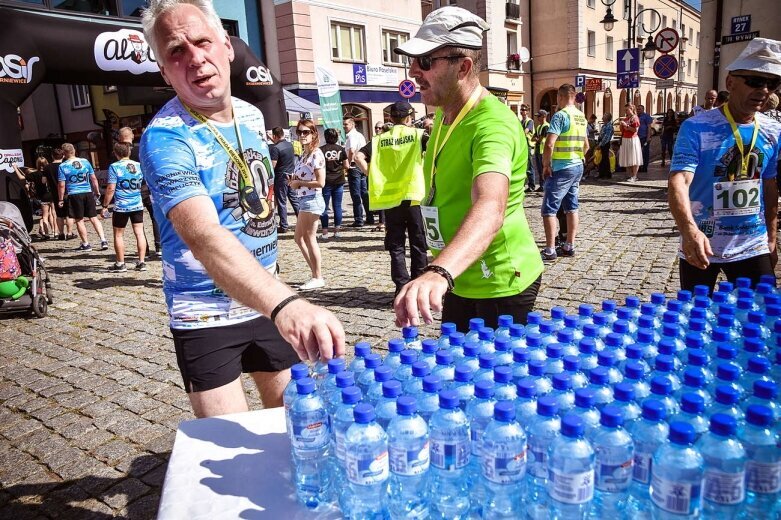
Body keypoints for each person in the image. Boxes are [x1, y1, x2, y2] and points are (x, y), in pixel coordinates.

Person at [139, 0, 344, 418]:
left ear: (227, 48)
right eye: (176, 51)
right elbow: (203, 235)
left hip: (264, 295)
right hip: (204, 313)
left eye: (202, 41)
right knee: (229, 444)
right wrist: (286, 304)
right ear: (164, 70)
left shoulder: (251, 116)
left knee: (294, 423)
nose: (195, 58)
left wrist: (275, 298)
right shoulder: (164, 137)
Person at [392, 6, 543, 330]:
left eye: (426, 62)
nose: (414, 71)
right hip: (460, 276)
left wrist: (438, 271)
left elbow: (491, 204)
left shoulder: (492, 125)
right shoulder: (446, 117)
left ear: (463, 67)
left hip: (500, 282)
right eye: (414, 61)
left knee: (490, 379)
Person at [668, 37, 781, 292]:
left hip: (753, 244)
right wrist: (689, 232)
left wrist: (772, 239)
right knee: (696, 319)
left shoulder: (774, 130)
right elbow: (679, 180)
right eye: (754, 81)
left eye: (772, 83)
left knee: (758, 320)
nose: (763, 90)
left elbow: (769, 184)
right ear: (731, 82)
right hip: (701, 241)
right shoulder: (696, 126)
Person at [355, 101, 428, 295]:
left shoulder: (379, 140)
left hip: (390, 200)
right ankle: (418, 286)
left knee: (396, 246)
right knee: (418, 243)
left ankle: (401, 288)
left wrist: (370, 173)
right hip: (413, 196)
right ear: (408, 118)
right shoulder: (417, 135)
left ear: (391, 118)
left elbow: (358, 157)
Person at [540, 84, 588, 261]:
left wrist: (546, 164)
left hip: (561, 168)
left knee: (549, 208)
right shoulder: (581, 116)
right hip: (577, 165)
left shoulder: (560, 116)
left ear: (560, 97)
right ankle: (569, 245)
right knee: (571, 207)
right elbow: (586, 145)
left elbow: (549, 143)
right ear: (574, 97)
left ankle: (550, 249)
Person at [289, 119, 327, 290]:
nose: (302, 135)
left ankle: (317, 276)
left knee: (309, 238)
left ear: (313, 134)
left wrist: (300, 183)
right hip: (304, 198)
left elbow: (321, 182)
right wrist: (294, 181)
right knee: (299, 238)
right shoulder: (304, 154)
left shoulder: (316, 154)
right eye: (299, 132)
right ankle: (314, 272)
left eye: (306, 132)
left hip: (312, 199)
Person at [102, 142, 148, 272]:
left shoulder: (114, 167)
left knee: (118, 235)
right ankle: (141, 262)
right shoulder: (139, 165)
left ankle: (120, 263)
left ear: (116, 153)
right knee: (139, 233)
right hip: (137, 204)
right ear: (128, 152)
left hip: (122, 206)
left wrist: (105, 205)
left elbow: (111, 188)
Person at [56, 143, 108, 252]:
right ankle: (103, 240)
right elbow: (93, 178)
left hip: (74, 194)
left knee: (79, 220)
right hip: (87, 192)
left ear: (64, 154)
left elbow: (61, 185)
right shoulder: (85, 162)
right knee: (93, 217)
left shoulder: (63, 166)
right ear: (74, 150)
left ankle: (86, 244)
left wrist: (60, 199)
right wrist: (97, 191)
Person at [120, 126, 161, 256]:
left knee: (138, 222)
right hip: (146, 187)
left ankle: (145, 250)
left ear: (120, 138)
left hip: (130, 191)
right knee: (155, 216)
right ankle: (159, 246)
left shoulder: (117, 153)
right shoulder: (141, 149)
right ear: (132, 136)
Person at [319, 128, 349, 239]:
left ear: (325, 137)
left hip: (326, 181)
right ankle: (337, 230)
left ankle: (325, 232)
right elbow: (346, 165)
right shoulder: (341, 149)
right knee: (337, 206)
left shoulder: (320, 150)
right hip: (339, 180)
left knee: (324, 207)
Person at [269, 126, 299, 233]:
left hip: (281, 177)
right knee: (294, 200)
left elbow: (273, 165)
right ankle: (301, 221)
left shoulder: (275, 148)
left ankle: (284, 226)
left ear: (274, 136)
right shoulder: (289, 144)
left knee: (282, 202)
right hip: (291, 175)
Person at [343, 116, 370, 227]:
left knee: (356, 194)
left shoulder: (352, 136)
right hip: (361, 165)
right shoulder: (360, 135)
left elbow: (352, 150)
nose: (344, 126)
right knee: (364, 193)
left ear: (352, 124)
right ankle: (370, 216)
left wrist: (348, 164)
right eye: (344, 124)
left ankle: (359, 219)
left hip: (354, 167)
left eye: (346, 124)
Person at [44, 147, 73, 240]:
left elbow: (43, 181)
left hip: (55, 193)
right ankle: (69, 233)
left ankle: (61, 233)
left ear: (52, 156)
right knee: (69, 214)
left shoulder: (47, 167)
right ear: (63, 155)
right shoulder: (66, 165)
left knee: (59, 215)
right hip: (67, 192)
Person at [31, 157, 55, 239]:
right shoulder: (49, 171)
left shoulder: (35, 173)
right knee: (52, 214)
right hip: (52, 194)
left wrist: (15, 168)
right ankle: (55, 232)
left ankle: (46, 233)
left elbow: (22, 177)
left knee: (45, 216)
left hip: (43, 196)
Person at [618, 104, 642, 182]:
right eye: (625, 110)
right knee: (627, 157)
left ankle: (634, 176)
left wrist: (627, 126)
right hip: (625, 139)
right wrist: (621, 126)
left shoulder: (635, 118)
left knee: (634, 158)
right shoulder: (626, 118)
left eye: (627, 110)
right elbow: (622, 131)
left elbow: (635, 130)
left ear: (632, 109)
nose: (626, 111)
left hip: (632, 139)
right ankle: (629, 175)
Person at [531, 109, 549, 191]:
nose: (537, 118)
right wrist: (537, 138)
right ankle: (542, 186)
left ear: (544, 116)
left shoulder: (546, 126)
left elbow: (540, 139)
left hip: (543, 151)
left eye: (539, 116)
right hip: (538, 150)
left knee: (544, 169)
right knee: (539, 169)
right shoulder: (538, 127)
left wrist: (537, 138)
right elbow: (533, 138)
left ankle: (545, 185)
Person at [520, 104, 536, 192]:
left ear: (528, 111)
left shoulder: (530, 121)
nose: (522, 111)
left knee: (530, 166)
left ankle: (532, 186)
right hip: (523, 145)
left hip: (529, 146)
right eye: (521, 110)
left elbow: (525, 131)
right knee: (524, 166)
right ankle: (525, 184)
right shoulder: (521, 121)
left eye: (524, 110)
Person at [636, 104, 654, 173]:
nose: (638, 110)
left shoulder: (646, 116)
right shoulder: (636, 116)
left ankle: (645, 167)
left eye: (639, 109)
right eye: (637, 109)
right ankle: (639, 167)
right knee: (638, 153)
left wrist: (648, 137)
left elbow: (649, 127)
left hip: (644, 137)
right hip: (637, 137)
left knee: (645, 153)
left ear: (643, 109)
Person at [597, 112, 614, 179]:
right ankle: (601, 173)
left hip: (605, 144)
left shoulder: (609, 126)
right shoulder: (604, 125)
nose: (603, 116)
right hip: (601, 143)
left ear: (607, 118)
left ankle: (606, 174)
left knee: (605, 159)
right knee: (601, 159)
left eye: (604, 115)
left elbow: (607, 137)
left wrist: (600, 144)